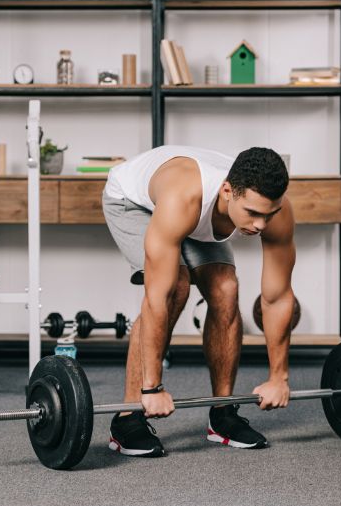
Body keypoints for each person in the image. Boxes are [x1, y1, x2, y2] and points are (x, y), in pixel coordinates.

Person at [102, 145, 296, 457]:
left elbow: (277, 297)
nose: (261, 224)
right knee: (176, 286)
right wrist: (151, 388)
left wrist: (279, 377)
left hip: (198, 214)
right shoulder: (184, 197)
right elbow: (157, 298)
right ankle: (127, 420)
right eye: (253, 213)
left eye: (268, 214)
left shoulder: (277, 213)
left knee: (225, 289)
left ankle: (222, 415)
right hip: (133, 202)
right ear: (228, 191)